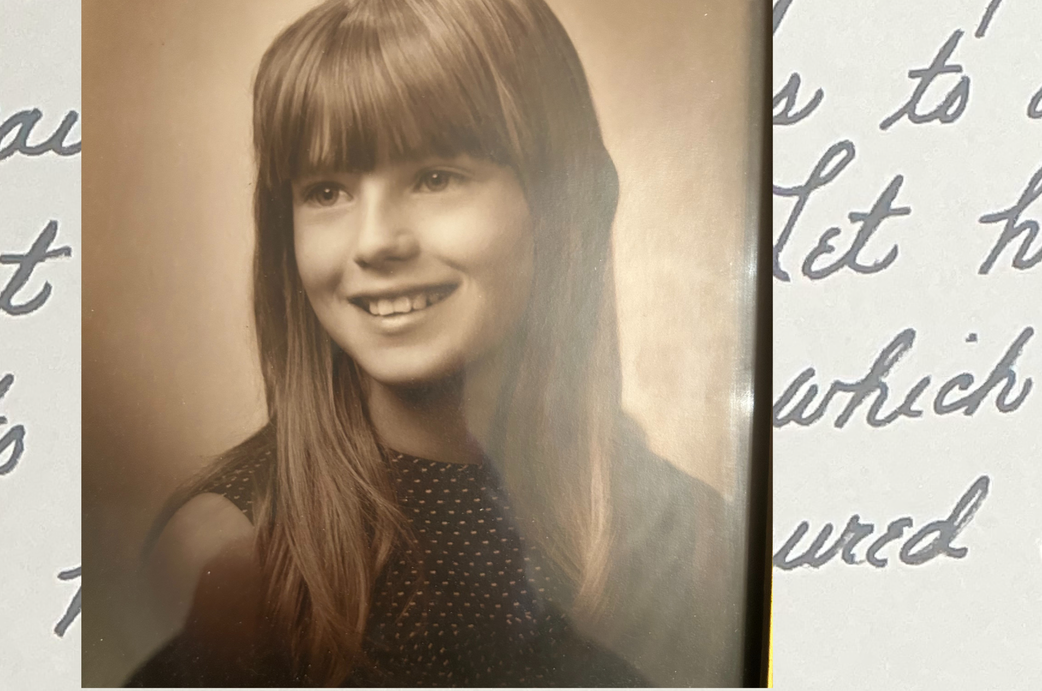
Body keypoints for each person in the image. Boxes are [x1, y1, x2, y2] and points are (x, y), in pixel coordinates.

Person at [125, 0, 729, 686]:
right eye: (327, 191)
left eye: (436, 177)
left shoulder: (690, 536)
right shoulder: (235, 556)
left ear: (559, 202)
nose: (376, 241)